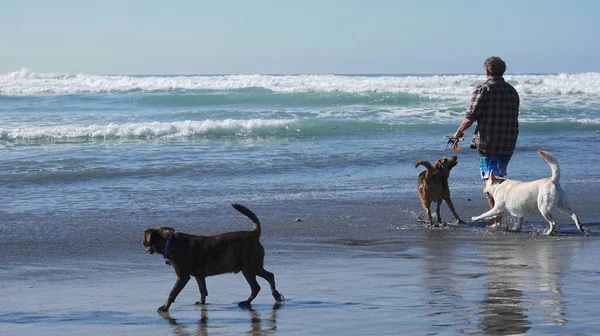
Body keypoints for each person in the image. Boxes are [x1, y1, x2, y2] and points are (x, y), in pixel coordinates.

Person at [452, 56, 519, 227]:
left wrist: (458, 132)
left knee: (491, 182)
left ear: (487, 71)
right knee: (500, 178)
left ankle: (497, 220)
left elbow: (471, 115)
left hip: (489, 141)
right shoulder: (512, 90)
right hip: (509, 140)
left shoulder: (484, 89)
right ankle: (507, 214)